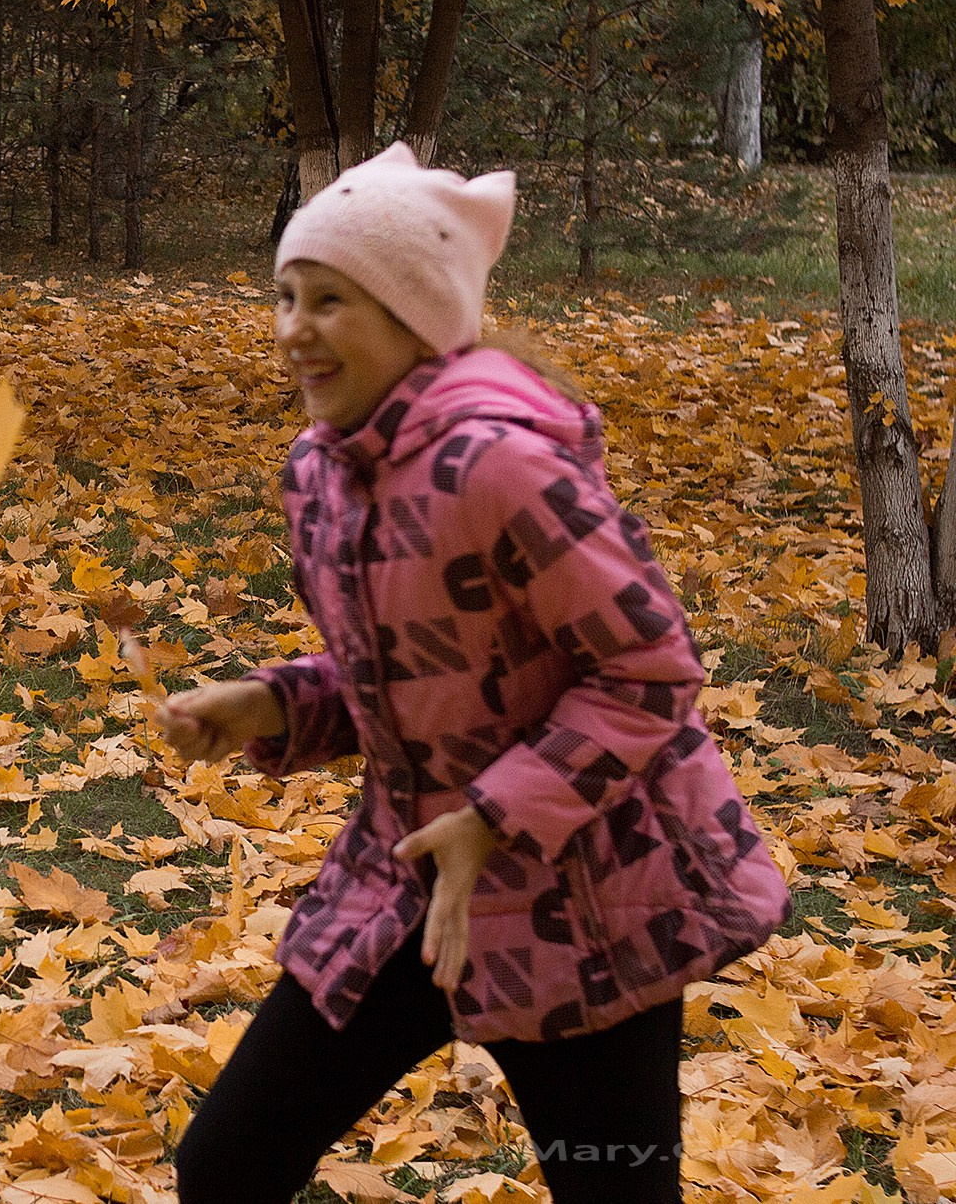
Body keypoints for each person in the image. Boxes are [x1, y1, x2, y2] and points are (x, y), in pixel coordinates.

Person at [158, 143, 790, 1204]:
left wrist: (493, 818)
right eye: (285, 296)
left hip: (584, 901)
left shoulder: (504, 464)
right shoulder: (321, 473)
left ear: (415, 316)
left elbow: (648, 669)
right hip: (408, 876)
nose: (294, 328)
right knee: (225, 1165)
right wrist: (274, 703)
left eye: (329, 300)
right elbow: (405, 672)